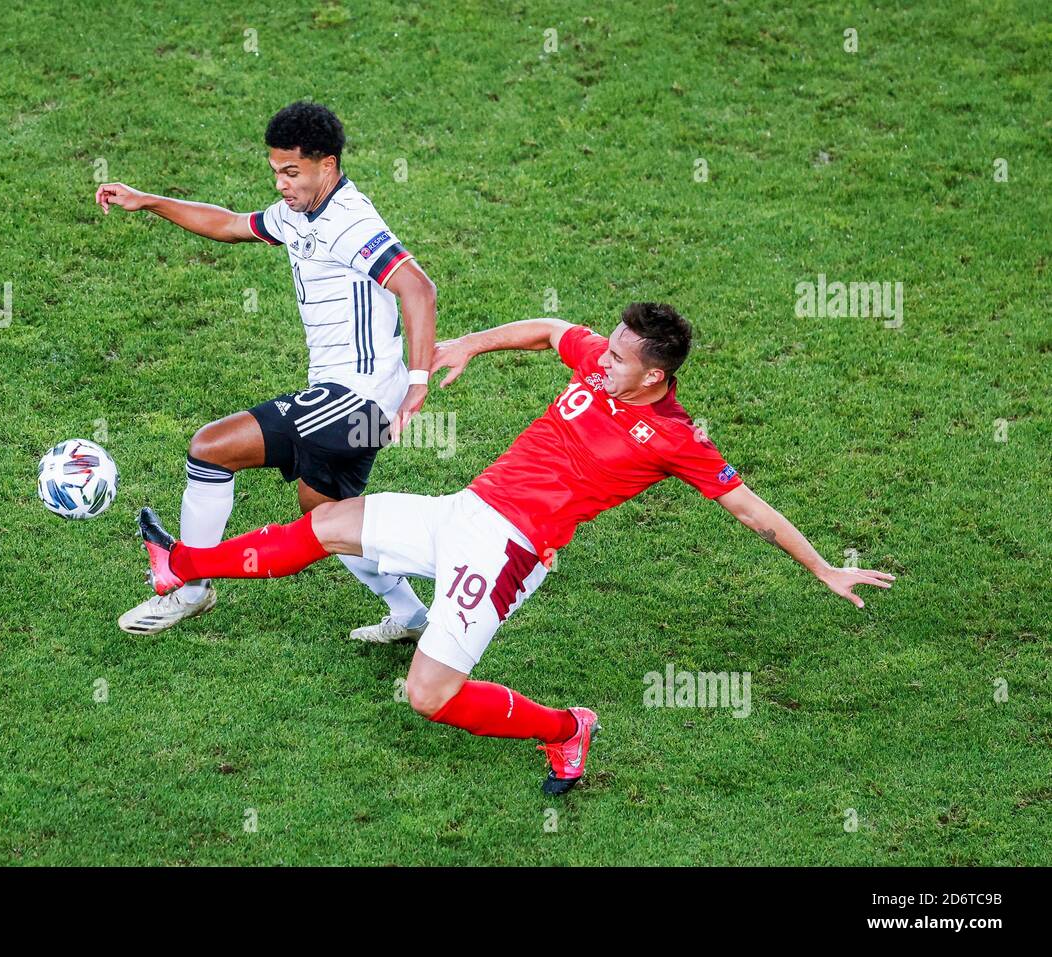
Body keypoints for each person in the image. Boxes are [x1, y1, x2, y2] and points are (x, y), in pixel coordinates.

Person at [132, 304, 896, 793]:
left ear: (654, 376)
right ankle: (181, 566)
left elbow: (750, 509)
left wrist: (823, 565)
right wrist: (470, 343)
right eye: (607, 348)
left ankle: (567, 728)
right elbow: (550, 328)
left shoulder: (675, 438)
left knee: (429, 695)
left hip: (509, 554)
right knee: (328, 525)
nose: (600, 360)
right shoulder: (599, 362)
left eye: (618, 359)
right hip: (462, 510)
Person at [97, 102, 436, 641]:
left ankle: (188, 585)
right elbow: (232, 225)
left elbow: (418, 288)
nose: (280, 183)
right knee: (328, 522)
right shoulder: (298, 212)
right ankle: (414, 615)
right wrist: (150, 201)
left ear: (327, 165)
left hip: (358, 397)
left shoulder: (351, 223)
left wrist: (417, 385)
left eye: (291, 172)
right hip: (354, 398)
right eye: (276, 171)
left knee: (210, 448)